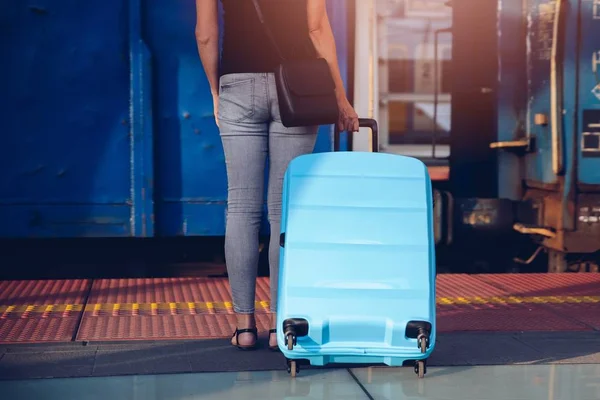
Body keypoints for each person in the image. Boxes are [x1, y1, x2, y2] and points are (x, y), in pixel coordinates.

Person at [194, 0, 359, 351]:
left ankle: (244, 327)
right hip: (298, 86)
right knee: (285, 211)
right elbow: (316, 29)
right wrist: (340, 97)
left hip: (237, 86)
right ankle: (281, 323)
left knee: (241, 208)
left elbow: (206, 35)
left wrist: (215, 90)